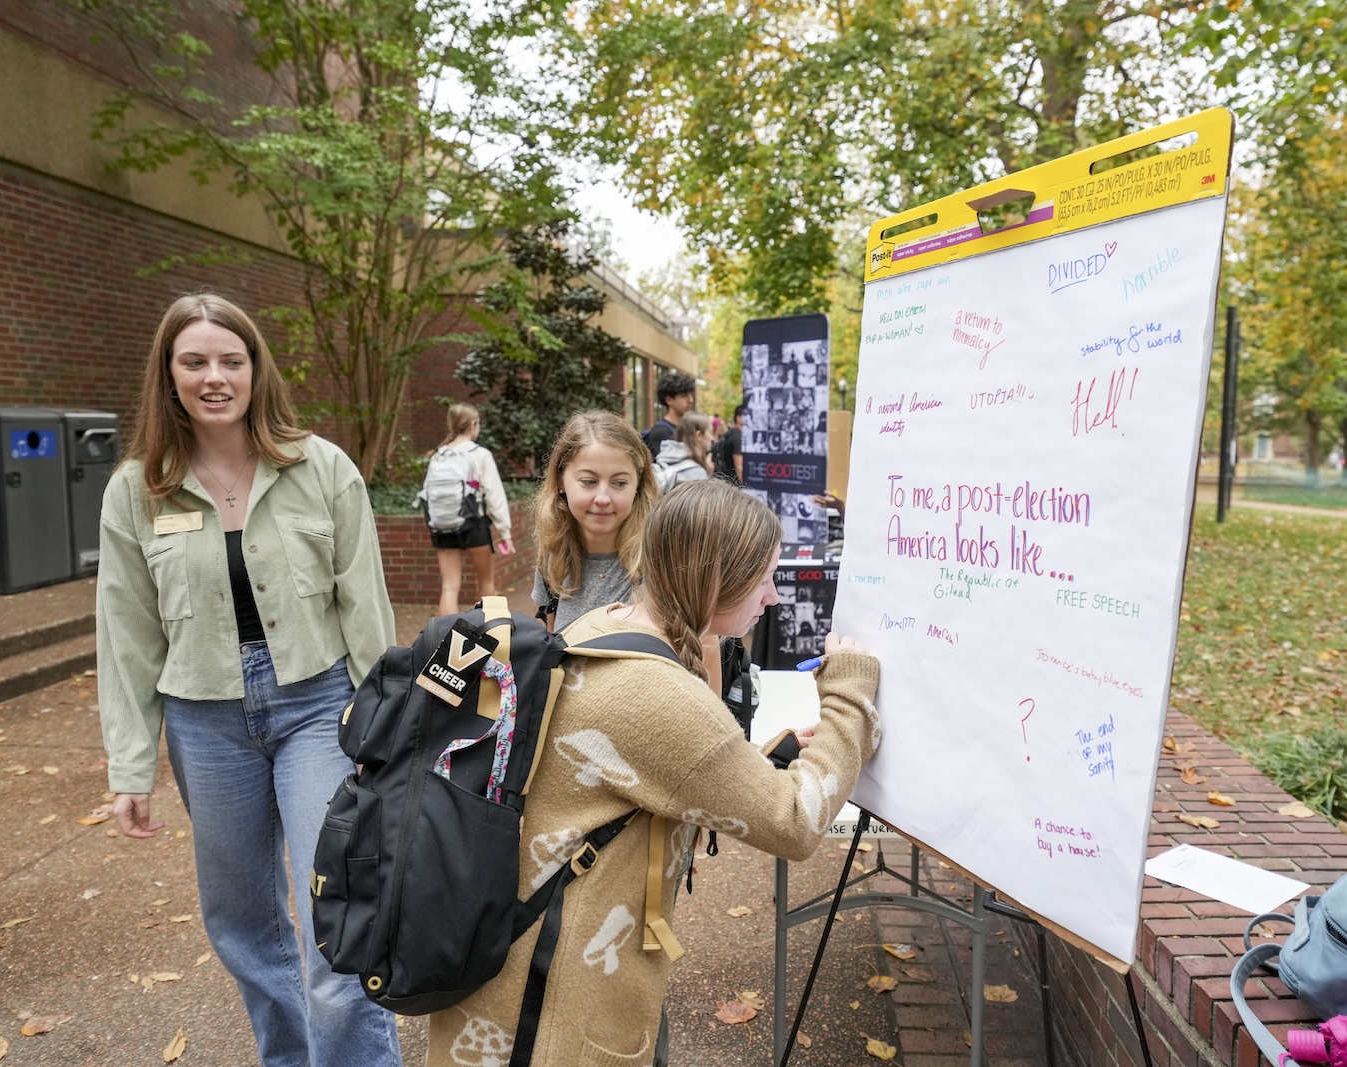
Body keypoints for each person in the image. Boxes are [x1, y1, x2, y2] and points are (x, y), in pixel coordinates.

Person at [426, 480, 881, 1067]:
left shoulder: (604, 625)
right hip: (549, 1008)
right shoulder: (659, 696)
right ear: (715, 576)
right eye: (765, 576)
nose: (771, 597)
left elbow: (648, 775)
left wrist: (767, 756)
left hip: (507, 973)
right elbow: (794, 823)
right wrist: (849, 694)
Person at [96, 293, 400, 1066]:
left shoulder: (320, 466)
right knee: (241, 924)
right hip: (204, 720)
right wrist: (130, 763)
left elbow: (365, 606)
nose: (214, 376)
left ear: (257, 369)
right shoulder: (137, 489)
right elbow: (126, 634)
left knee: (335, 911)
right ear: (168, 375)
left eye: (231, 360)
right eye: (194, 361)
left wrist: (391, 733)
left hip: (318, 707)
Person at [532, 411, 658, 635]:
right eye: (589, 481)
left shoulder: (660, 560)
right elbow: (549, 648)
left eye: (619, 483)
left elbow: (700, 653)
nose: (602, 498)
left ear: (638, 484)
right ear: (561, 481)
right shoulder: (554, 557)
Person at [426, 402, 513, 616]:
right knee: (486, 583)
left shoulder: (438, 455)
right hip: (475, 525)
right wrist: (505, 532)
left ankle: (446, 640)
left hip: (443, 525)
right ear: (473, 425)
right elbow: (494, 496)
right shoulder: (479, 454)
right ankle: (489, 636)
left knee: (449, 587)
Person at [641, 369, 696, 455]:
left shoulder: (687, 428)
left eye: (691, 395)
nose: (691, 400)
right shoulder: (661, 433)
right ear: (669, 400)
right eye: (684, 396)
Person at [653, 411, 713, 488]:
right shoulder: (695, 473)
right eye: (710, 432)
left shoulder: (665, 457)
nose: (712, 438)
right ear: (699, 435)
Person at [712, 403, 745, 486]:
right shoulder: (738, 437)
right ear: (739, 418)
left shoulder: (729, 434)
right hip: (734, 487)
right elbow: (739, 468)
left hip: (725, 484)